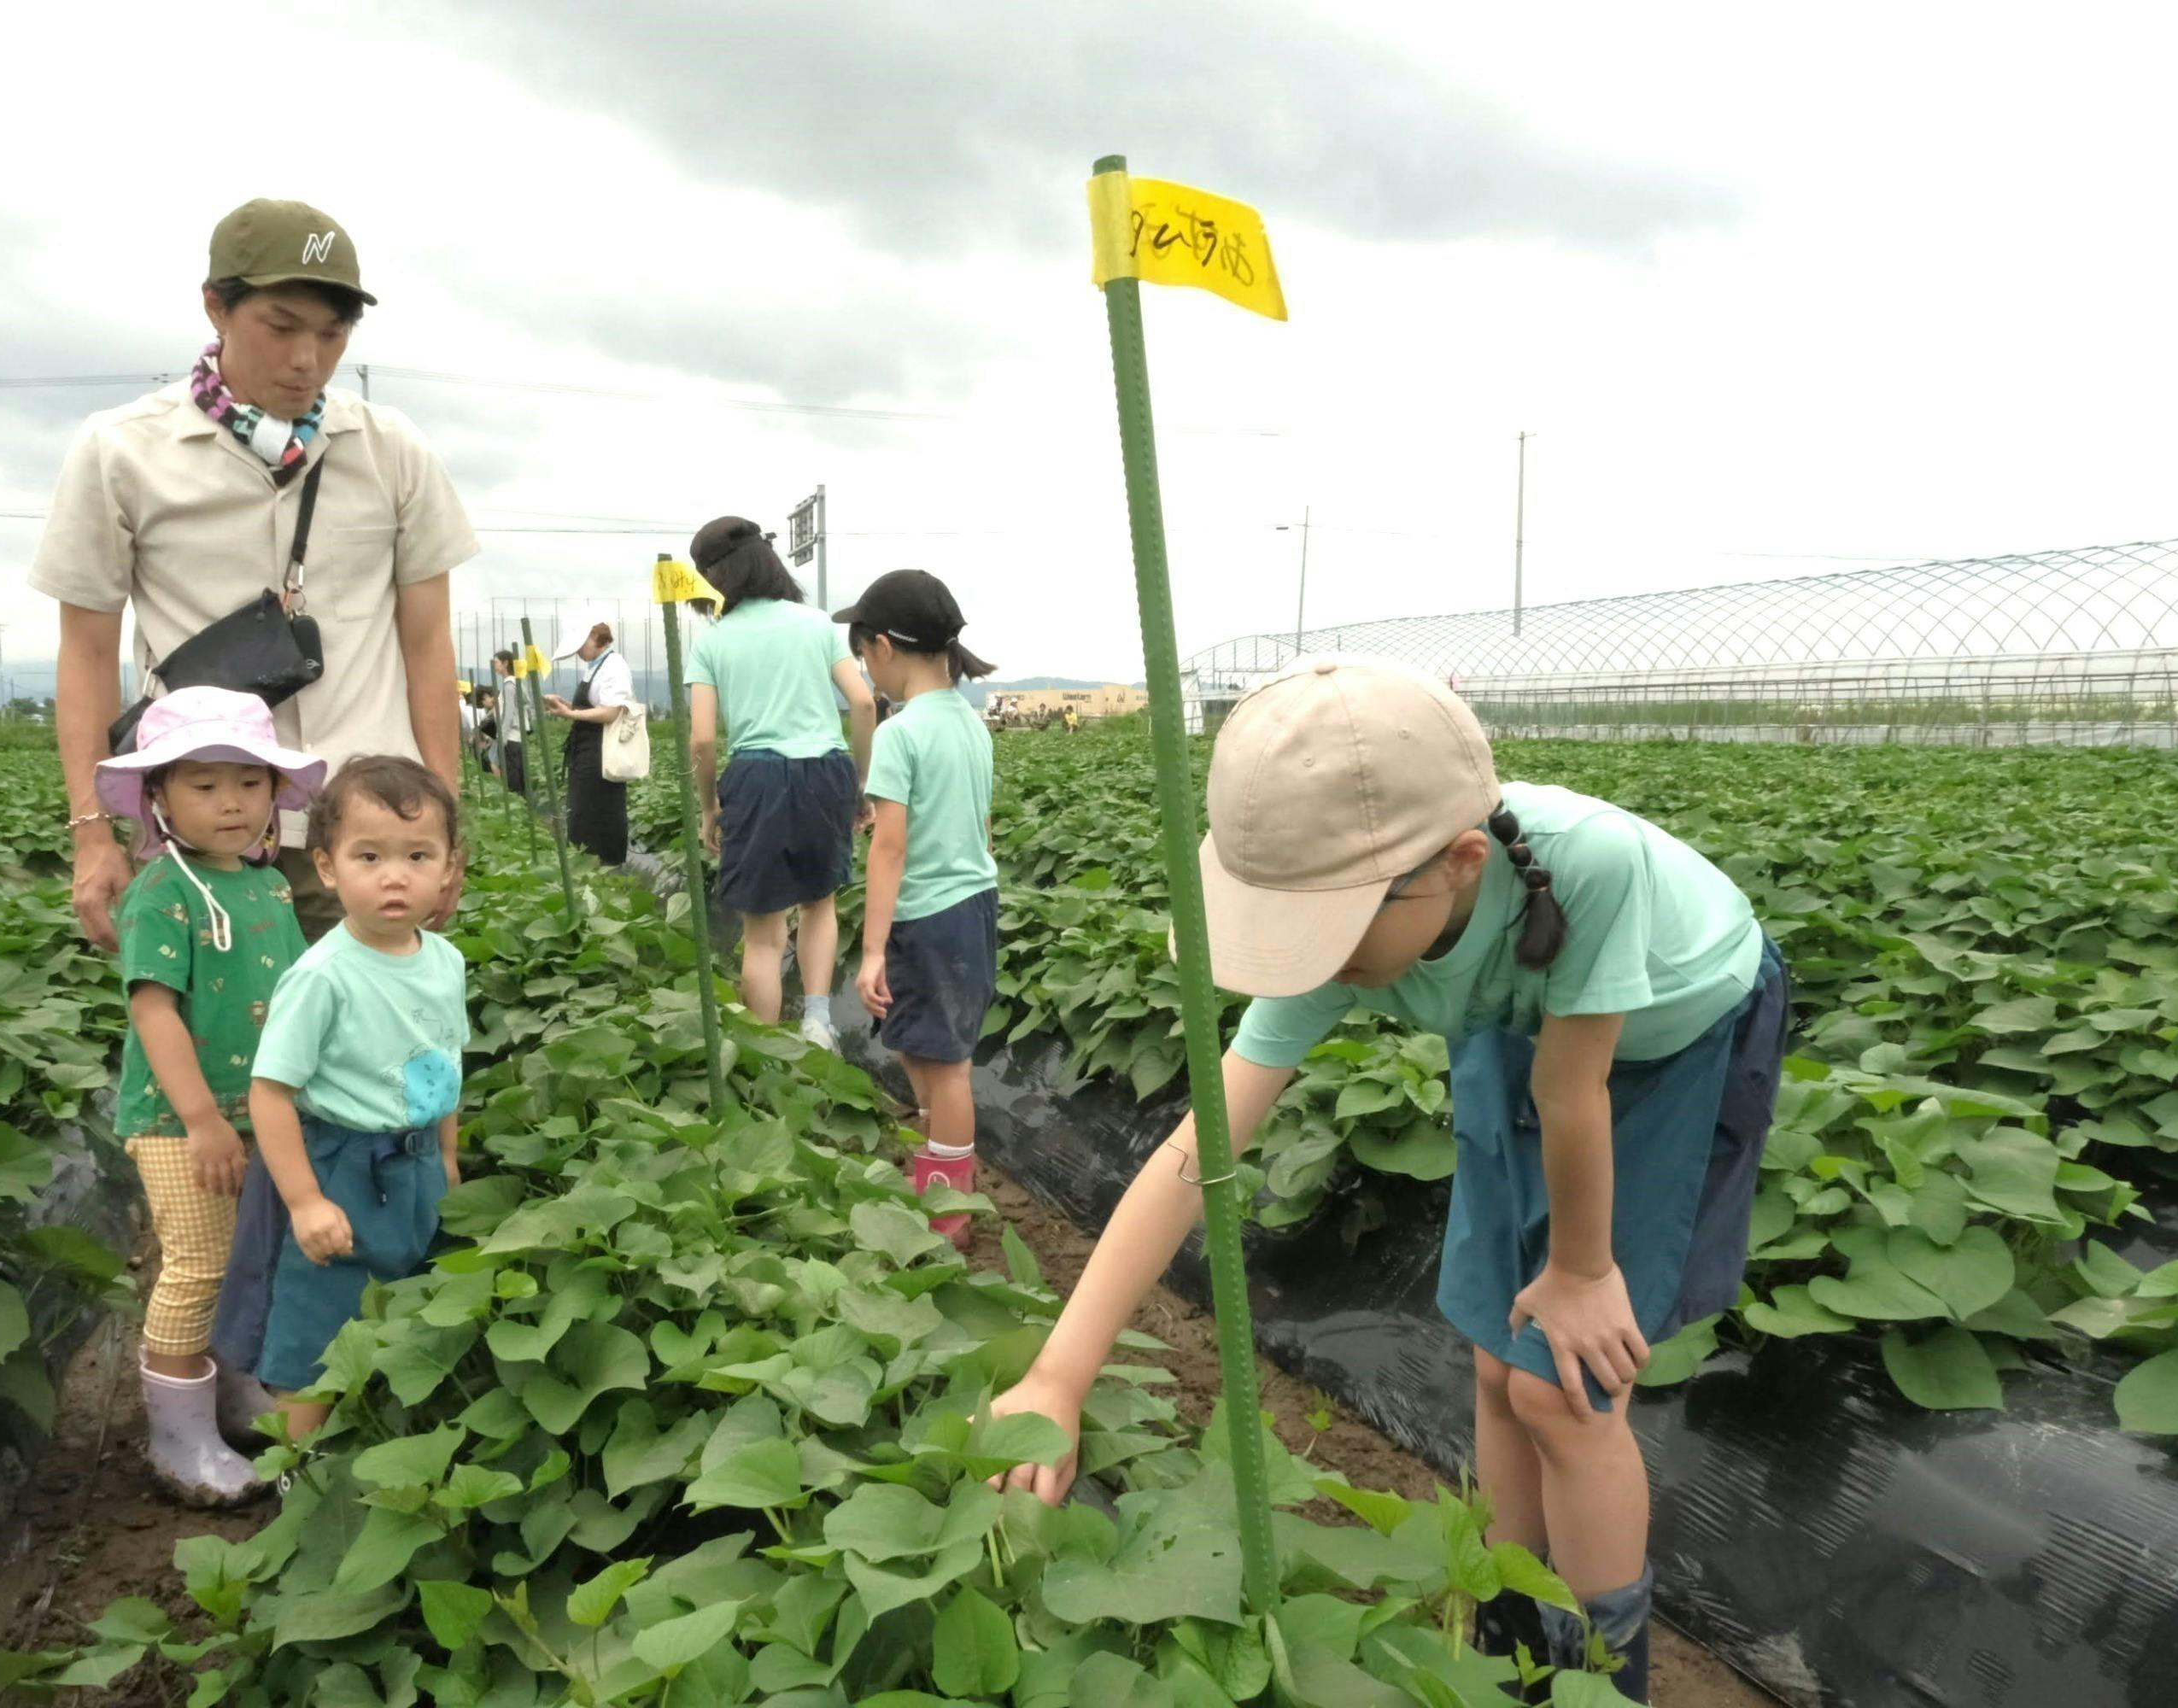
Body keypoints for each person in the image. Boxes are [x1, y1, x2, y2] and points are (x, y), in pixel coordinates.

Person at [991, 658, 1786, 1702]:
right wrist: (1059, 1372)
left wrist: (1586, 1271)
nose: (1306, 960)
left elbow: (1574, 1084)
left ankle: (1603, 1677)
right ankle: (1510, 1640)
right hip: (1520, 1028)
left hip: (1668, 1039)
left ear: (1459, 862)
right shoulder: (1358, 937)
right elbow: (1201, 1147)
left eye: (1326, 929)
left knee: (1562, 1385)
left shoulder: (1591, 867)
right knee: (1498, 1362)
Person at [32, 196, 476, 948]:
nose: (308, 360)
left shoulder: (391, 449)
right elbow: (84, 652)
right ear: (217, 307)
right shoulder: (122, 450)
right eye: (282, 328)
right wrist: (91, 835)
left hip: (368, 832)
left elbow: (428, 645)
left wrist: (447, 826)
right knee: (219, 1048)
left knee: (373, 1050)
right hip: (206, 834)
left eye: (333, 335)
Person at [91, 687, 324, 1506]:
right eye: (204, 784)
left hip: (257, 1112)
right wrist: (199, 1122)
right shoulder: (163, 892)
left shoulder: (265, 886)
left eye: (251, 783)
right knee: (198, 1266)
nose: (232, 802)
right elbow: (153, 1011)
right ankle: (176, 1436)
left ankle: (227, 1396)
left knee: (247, 1261)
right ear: (157, 797)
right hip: (180, 1121)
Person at [245, 757, 469, 1441]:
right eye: (368, 856)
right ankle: (296, 1471)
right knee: (319, 1326)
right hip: (342, 1165)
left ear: (448, 869)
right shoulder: (322, 976)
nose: (394, 875)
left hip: (419, 1160)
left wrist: (450, 1155)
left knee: (412, 1307)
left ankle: (375, 1443)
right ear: (328, 867)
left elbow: (446, 1064)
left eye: (417, 855)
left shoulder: (445, 960)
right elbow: (270, 1094)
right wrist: (307, 1201)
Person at [840, 570, 1000, 1248]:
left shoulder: (901, 734)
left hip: (928, 915)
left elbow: (890, 848)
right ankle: (940, 1165)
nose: (864, 668)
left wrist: (873, 949)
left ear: (882, 647)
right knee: (925, 1050)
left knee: (949, 1064)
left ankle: (950, 1214)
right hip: (970, 904)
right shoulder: (971, 724)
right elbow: (980, 827)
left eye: (861, 654)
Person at [681, 516, 877, 1047]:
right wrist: (859, 784)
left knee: (763, 935)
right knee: (820, 903)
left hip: (757, 776)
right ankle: (818, 1022)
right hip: (826, 768)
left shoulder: (712, 641)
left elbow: (701, 740)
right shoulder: (815, 624)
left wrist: (708, 808)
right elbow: (862, 702)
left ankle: (768, 1057)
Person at [542, 619, 638, 868]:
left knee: (600, 813)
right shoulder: (595, 666)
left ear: (595, 637)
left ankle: (608, 869)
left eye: (580, 646)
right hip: (586, 751)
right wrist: (566, 706)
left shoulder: (614, 665)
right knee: (581, 813)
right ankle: (585, 869)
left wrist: (571, 714)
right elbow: (592, 708)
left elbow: (611, 712)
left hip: (601, 754)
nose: (578, 653)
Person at [493, 650, 530, 798]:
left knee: (512, 778)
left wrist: (502, 737)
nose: (495, 666)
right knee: (520, 774)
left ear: (505, 663)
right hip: (518, 736)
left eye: (496, 662)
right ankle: (526, 809)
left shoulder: (509, 685)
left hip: (511, 737)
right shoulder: (518, 682)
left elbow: (507, 714)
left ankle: (518, 808)